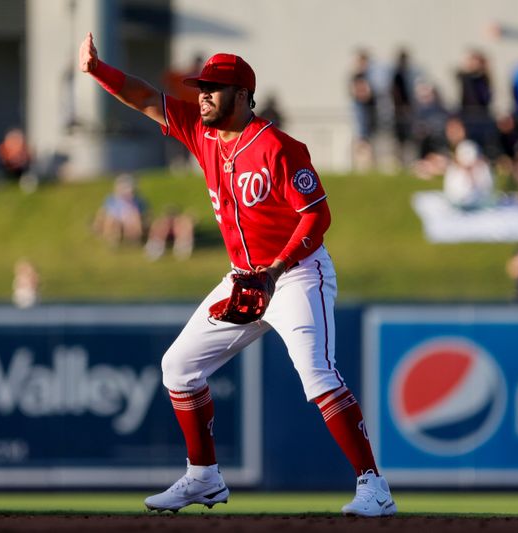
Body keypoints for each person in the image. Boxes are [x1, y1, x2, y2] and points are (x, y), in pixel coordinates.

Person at [79, 32, 395, 517]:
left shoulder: (278, 147)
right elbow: (142, 97)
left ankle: (373, 486)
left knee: (317, 374)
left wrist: (276, 270)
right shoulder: (198, 130)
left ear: (244, 95)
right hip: (245, 278)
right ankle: (204, 477)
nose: (203, 94)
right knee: (178, 368)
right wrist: (98, 70)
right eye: (201, 86)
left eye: (215, 87)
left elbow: (317, 217)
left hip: (297, 275)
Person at [92, 173, 148, 247]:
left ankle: (136, 239)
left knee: (134, 219)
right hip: (119, 221)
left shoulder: (137, 201)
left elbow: (144, 214)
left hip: (130, 221)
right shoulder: (112, 200)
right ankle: (113, 239)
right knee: (112, 220)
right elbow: (105, 212)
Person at [443, 140, 496, 209]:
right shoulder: (453, 169)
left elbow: (488, 190)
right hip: (459, 204)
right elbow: (451, 193)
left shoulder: (483, 168)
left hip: (479, 204)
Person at [348, 49, 378, 172]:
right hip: (361, 113)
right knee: (361, 140)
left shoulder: (369, 76)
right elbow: (361, 93)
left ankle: (366, 166)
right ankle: (361, 166)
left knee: (366, 141)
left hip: (368, 113)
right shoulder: (357, 76)